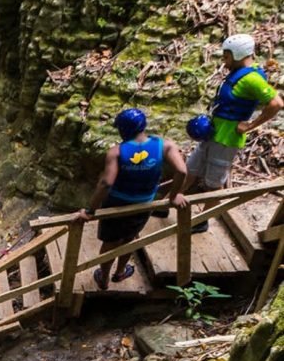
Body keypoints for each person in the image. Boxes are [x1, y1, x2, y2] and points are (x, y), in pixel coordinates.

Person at [76, 108, 188, 289]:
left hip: (117, 203)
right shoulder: (164, 146)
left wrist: (90, 210)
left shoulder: (117, 152)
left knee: (110, 241)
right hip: (144, 203)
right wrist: (174, 195)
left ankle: (103, 278)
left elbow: (106, 184)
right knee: (129, 237)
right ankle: (120, 272)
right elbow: (182, 170)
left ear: (122, 130)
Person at [184, 33, 283, 233]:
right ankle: (168, 201)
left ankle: (202, 220)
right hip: (214, 132)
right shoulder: (238, 72)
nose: (224, 60)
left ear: (238, 54)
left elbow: (276, 103)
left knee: (214, 183)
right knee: (190, 168)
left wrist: (250, 125)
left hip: (227, 139)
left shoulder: (252, 79)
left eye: (227, 56)